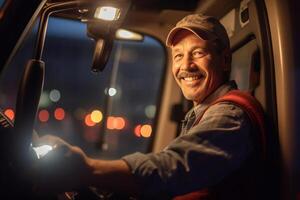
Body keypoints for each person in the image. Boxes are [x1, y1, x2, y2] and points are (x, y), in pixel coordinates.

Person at [32, 14, 264, 199]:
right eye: (178, 56)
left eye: (198, 53)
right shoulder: (203, 113)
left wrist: (87, 169)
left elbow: (173, 167)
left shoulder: (230, 115)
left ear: (224, 60)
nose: (186, 66)